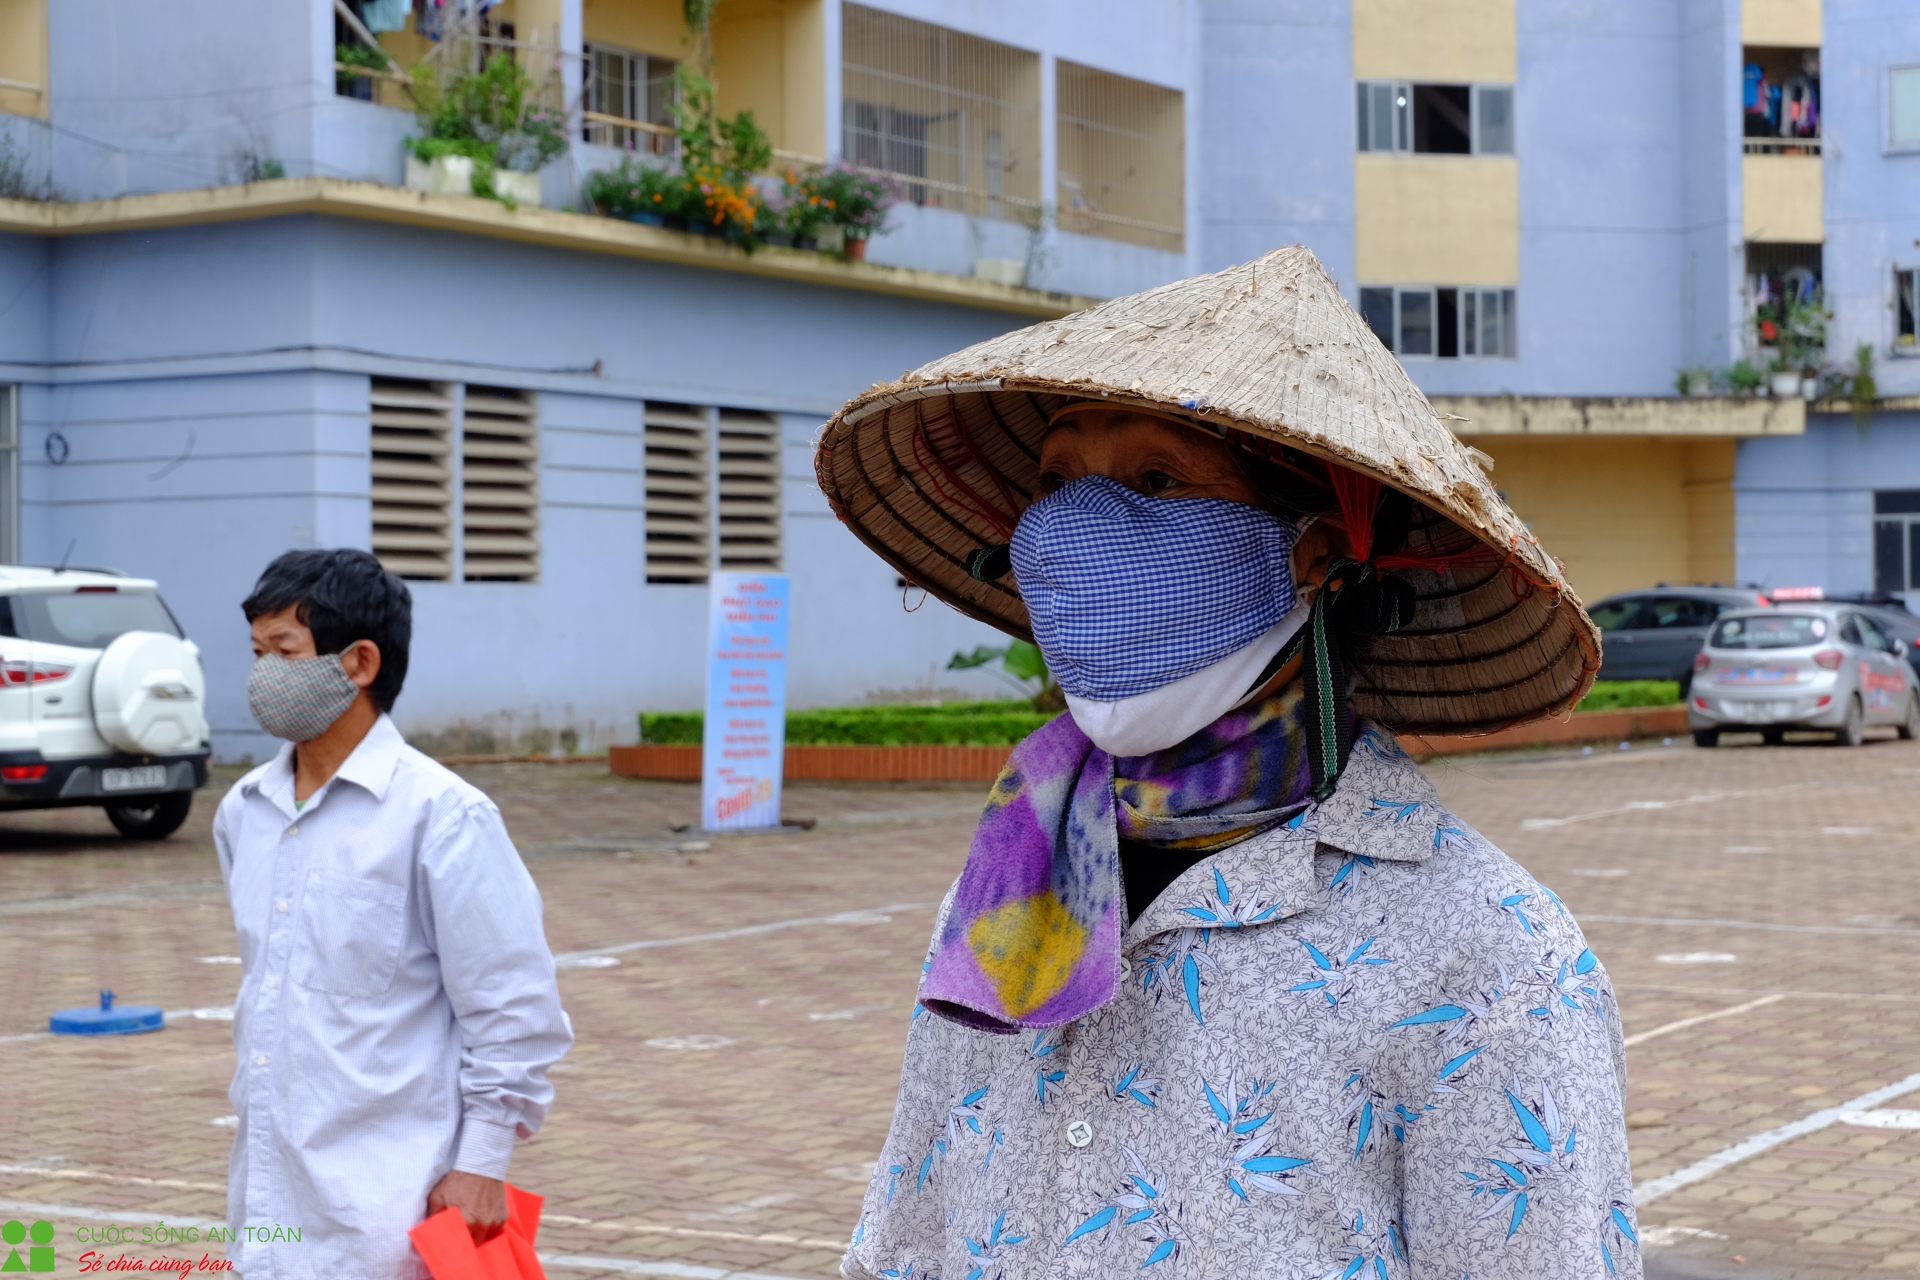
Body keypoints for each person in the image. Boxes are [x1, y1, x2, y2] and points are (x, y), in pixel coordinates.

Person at [816, 247, 1639, 1278]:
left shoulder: (1494, 962)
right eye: (1057, 481)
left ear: (1312, 550)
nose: (1075, 529)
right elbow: (908, 1242)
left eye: (1156, 477)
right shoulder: (1013, 878)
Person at [213, 548, 572, 1279]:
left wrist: (481, 1164)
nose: (261, 674)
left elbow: (513, 1011)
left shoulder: (443, 817)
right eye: (255, 653)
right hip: (269, 1204)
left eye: (283, 651)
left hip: (391, 1212)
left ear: (360, 663)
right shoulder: (243, 812)